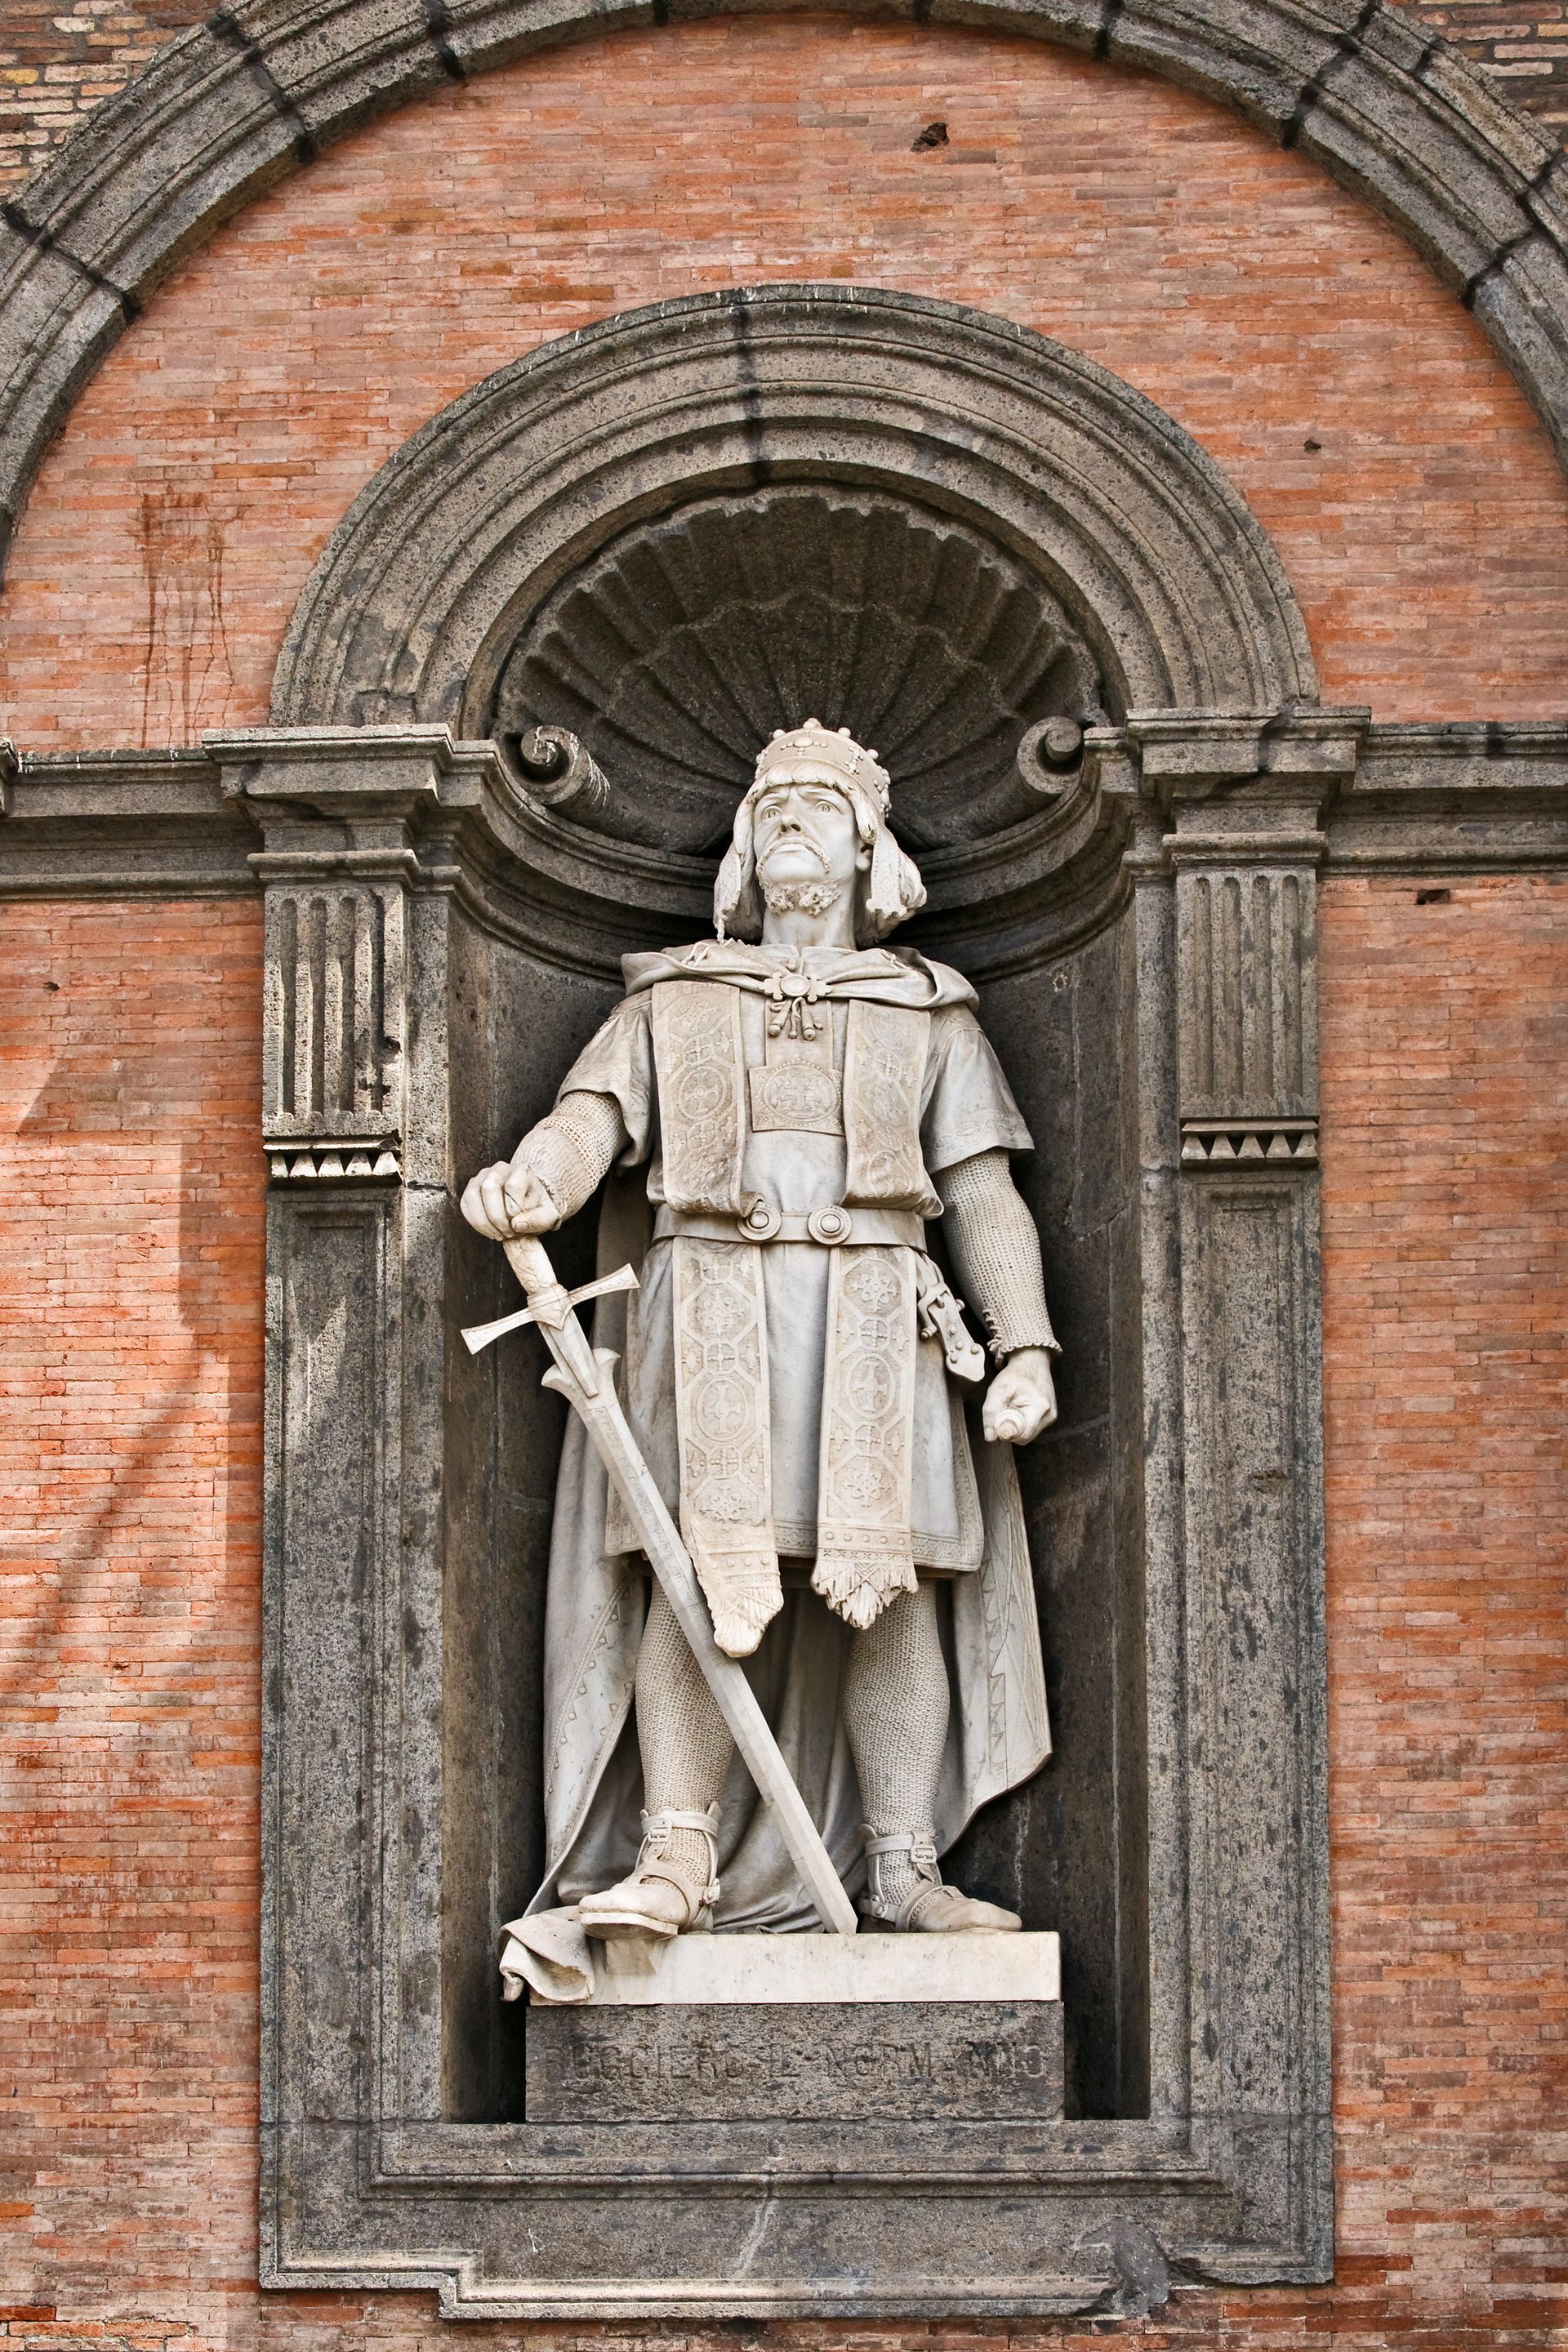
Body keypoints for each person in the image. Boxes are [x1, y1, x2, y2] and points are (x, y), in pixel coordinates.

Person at [465, 720, 1060, 1965]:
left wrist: (1027, 1349)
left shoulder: (929, 1012)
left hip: (880, 1321)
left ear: (866, 849)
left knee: (888, 1590)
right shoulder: (673, 998)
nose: (793, 820)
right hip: (713, 1310)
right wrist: (534, 1182)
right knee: (695, 1584)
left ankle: (902, 1863)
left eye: (818, 807)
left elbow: (986, 1191)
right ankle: (676, 1850)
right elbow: (591, 1120)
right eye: (771, 806)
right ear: (745, 848)